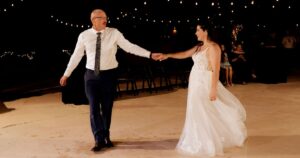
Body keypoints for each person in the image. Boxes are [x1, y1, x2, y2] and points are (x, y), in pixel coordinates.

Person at [59, 9, 161, 152]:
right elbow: (76, 56)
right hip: (91, 77)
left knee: (107, 108)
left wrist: (149, 54)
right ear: (93, 20)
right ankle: (98, 138)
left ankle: (106, 135)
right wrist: (66, 74)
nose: (106, 20)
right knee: (94, 107)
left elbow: (129, 47)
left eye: (106, 17)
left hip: (109, 76)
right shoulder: (84, 36)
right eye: (102, 17)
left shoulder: (114, 33)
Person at [158, 21, 247, 157]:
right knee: (195, 110)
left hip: (204, 83)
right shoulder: (199, 47)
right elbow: (185, 54)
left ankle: (207, 141)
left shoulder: (213, 47)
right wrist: (168, 55)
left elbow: (216, 69)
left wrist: (213, 89)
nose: (195, 32)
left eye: (198, 30)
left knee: (202, 110)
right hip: (195, 83)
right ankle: (198, 138)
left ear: (205, 31)